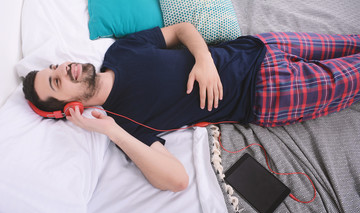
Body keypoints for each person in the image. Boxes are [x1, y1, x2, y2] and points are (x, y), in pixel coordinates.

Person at [22, 23, 360, 192]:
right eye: (56, 82)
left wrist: (204, 59)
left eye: (54, 67)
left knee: (353, 43)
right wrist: (108, 128)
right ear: (70, 108)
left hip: (260, 46)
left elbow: (182, 30)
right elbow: (177, 180)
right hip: (268, 92)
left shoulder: (119, 52)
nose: (62, 68)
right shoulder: (124, 125)